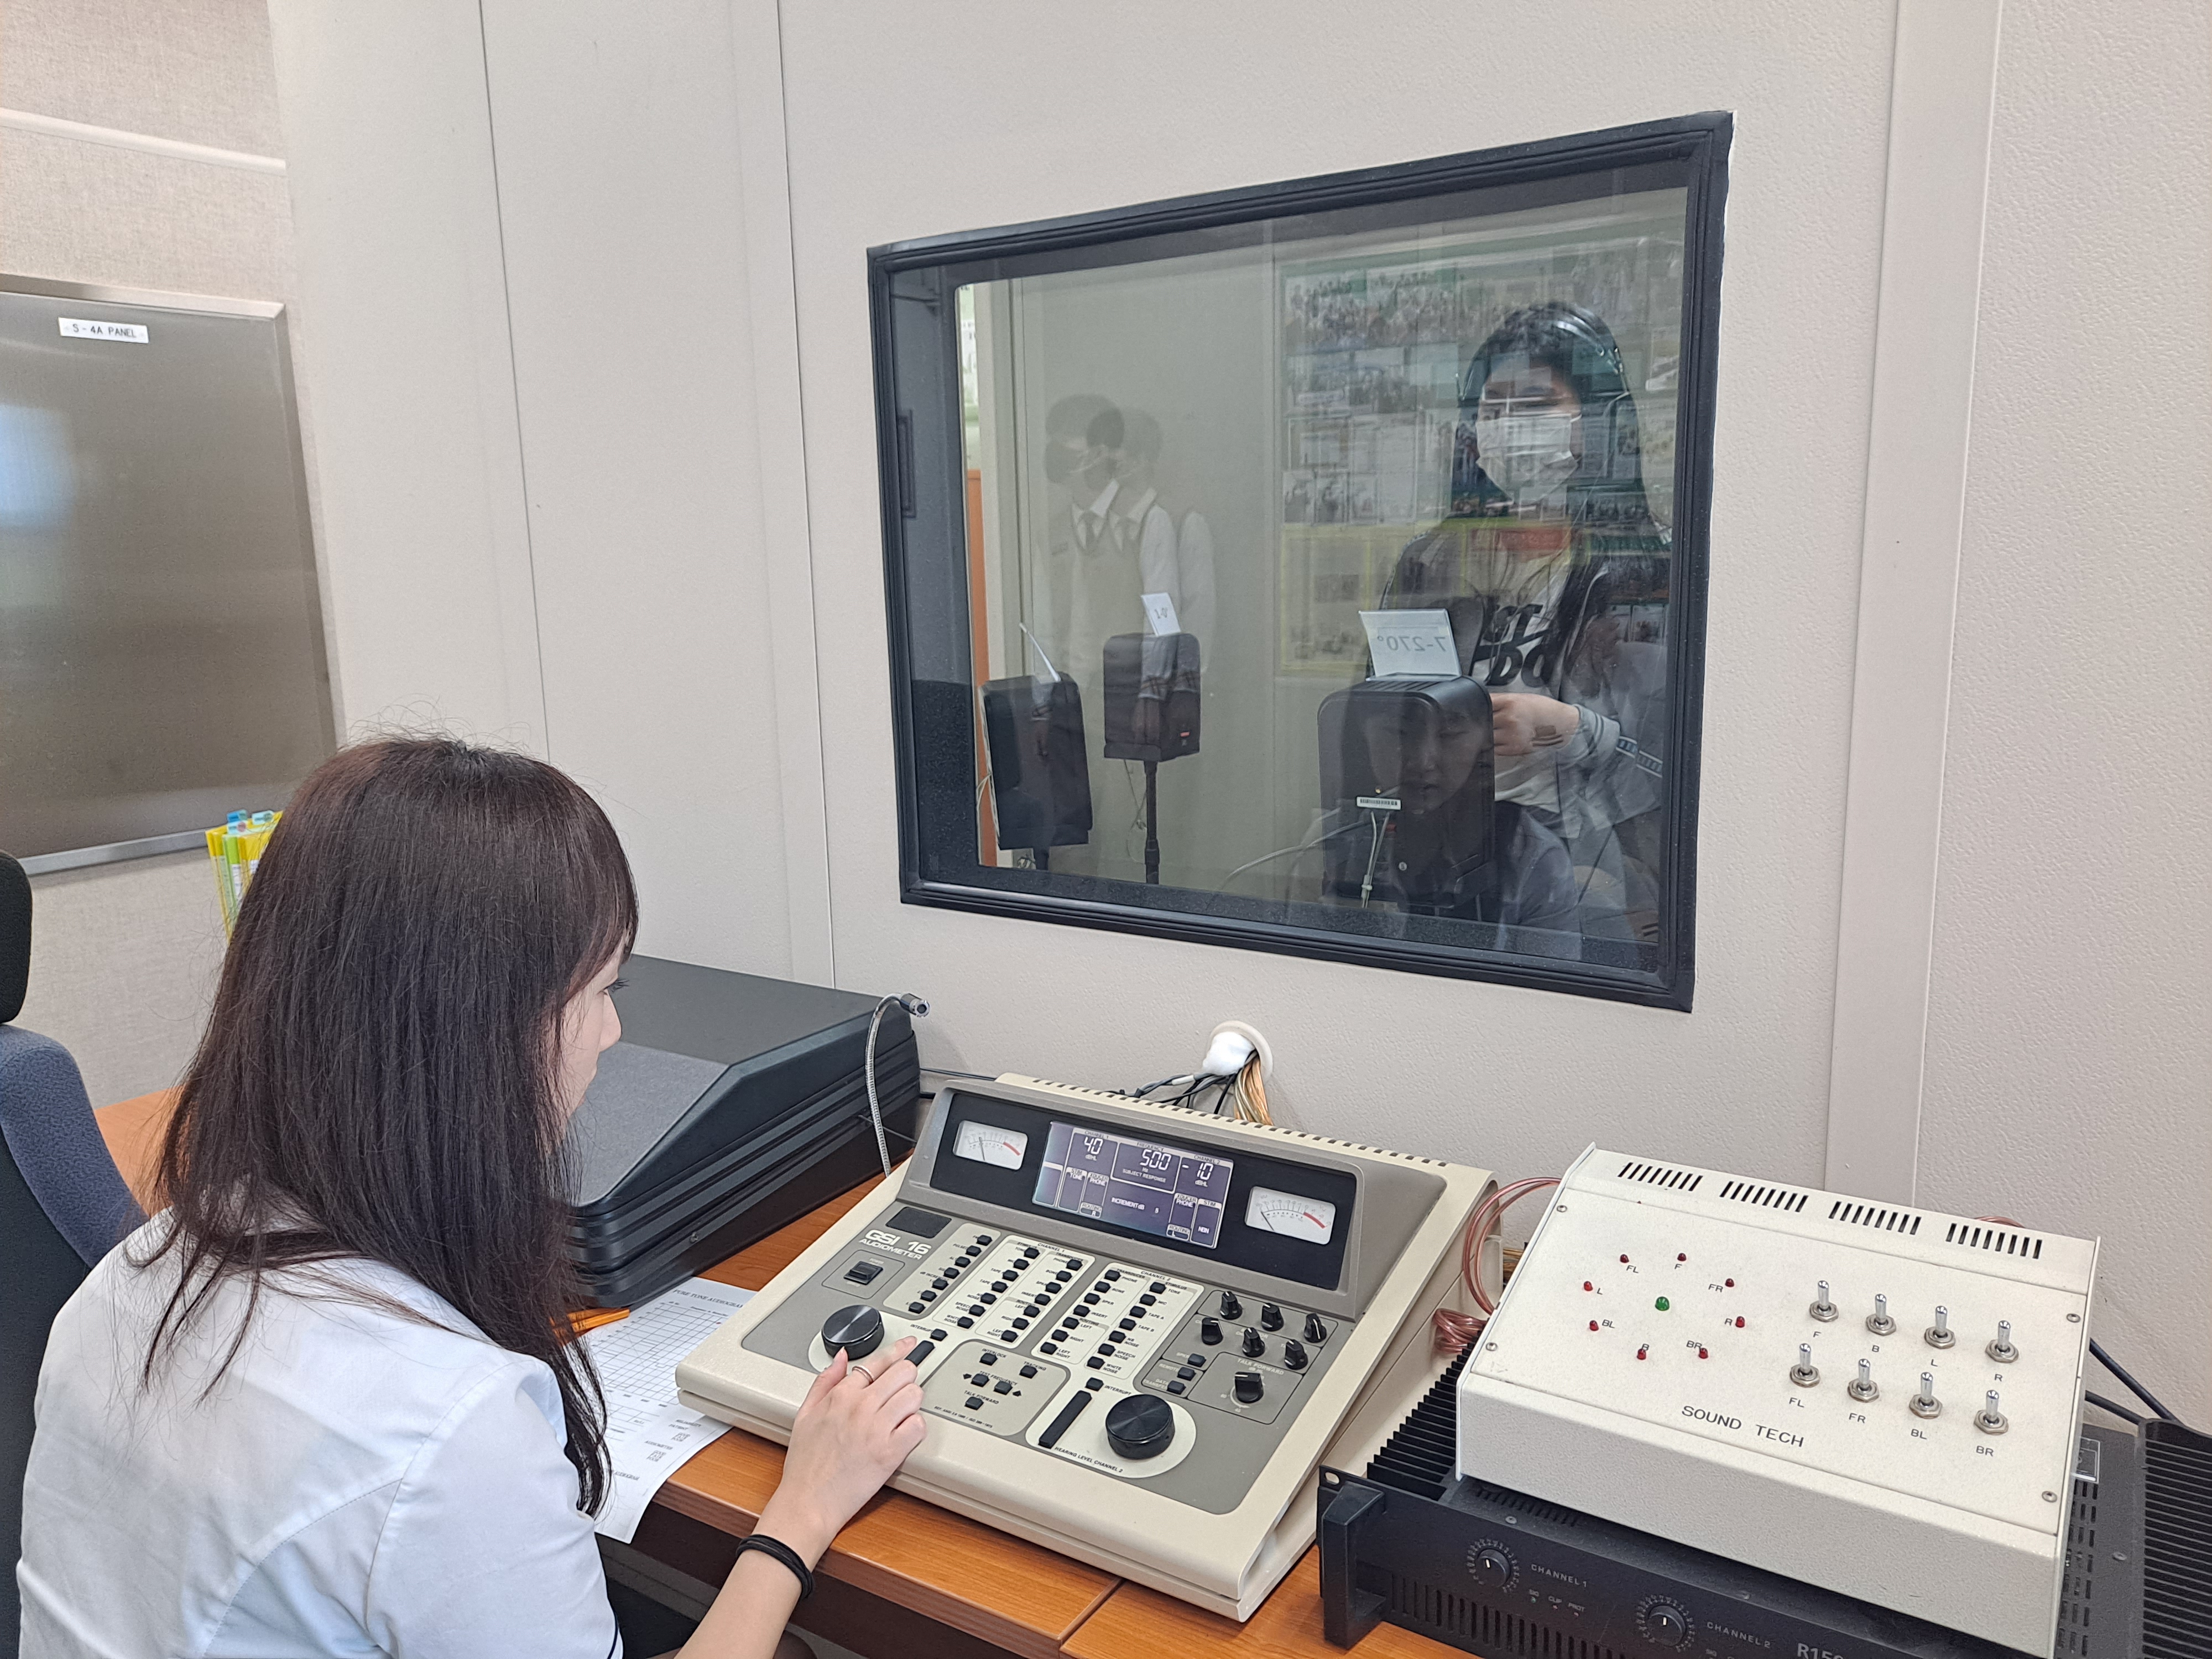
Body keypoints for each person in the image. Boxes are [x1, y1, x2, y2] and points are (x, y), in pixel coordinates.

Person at [17, 737, 925, 1659]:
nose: (612, 1032)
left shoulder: (128, 1276)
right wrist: (802, 1511)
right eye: (602, 989)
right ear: (482, 1037)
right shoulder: (447, 1431)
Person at [1374, 301, 1672, 947]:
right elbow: (1379, 716)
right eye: (1494, 408)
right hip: (1444, 856)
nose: (1511, 426)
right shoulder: (1432, 562)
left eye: (1536, 404)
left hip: (1585, 869)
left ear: (1594, 419)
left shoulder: (1643, 571)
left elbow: (1672, 769)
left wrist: (1572, 729)